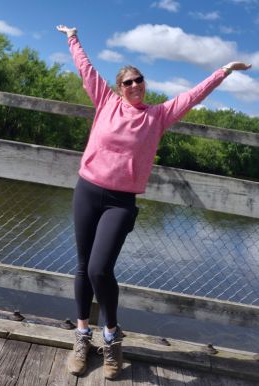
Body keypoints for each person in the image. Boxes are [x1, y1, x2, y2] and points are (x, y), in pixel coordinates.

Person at [56, 24, 251, 380]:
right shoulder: (105, 102)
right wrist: (72, 37)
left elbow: (193, 95)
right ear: (119, 88)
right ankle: (82, 335)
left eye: (138, 80)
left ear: (145, 84)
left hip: (121, 201)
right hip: (87, 190)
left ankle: (112, 337)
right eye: (127, 82)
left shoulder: (157, 116)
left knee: (101, 268)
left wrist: (223, 71)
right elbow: (85, 67)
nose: (134, 85)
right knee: (84, 265)